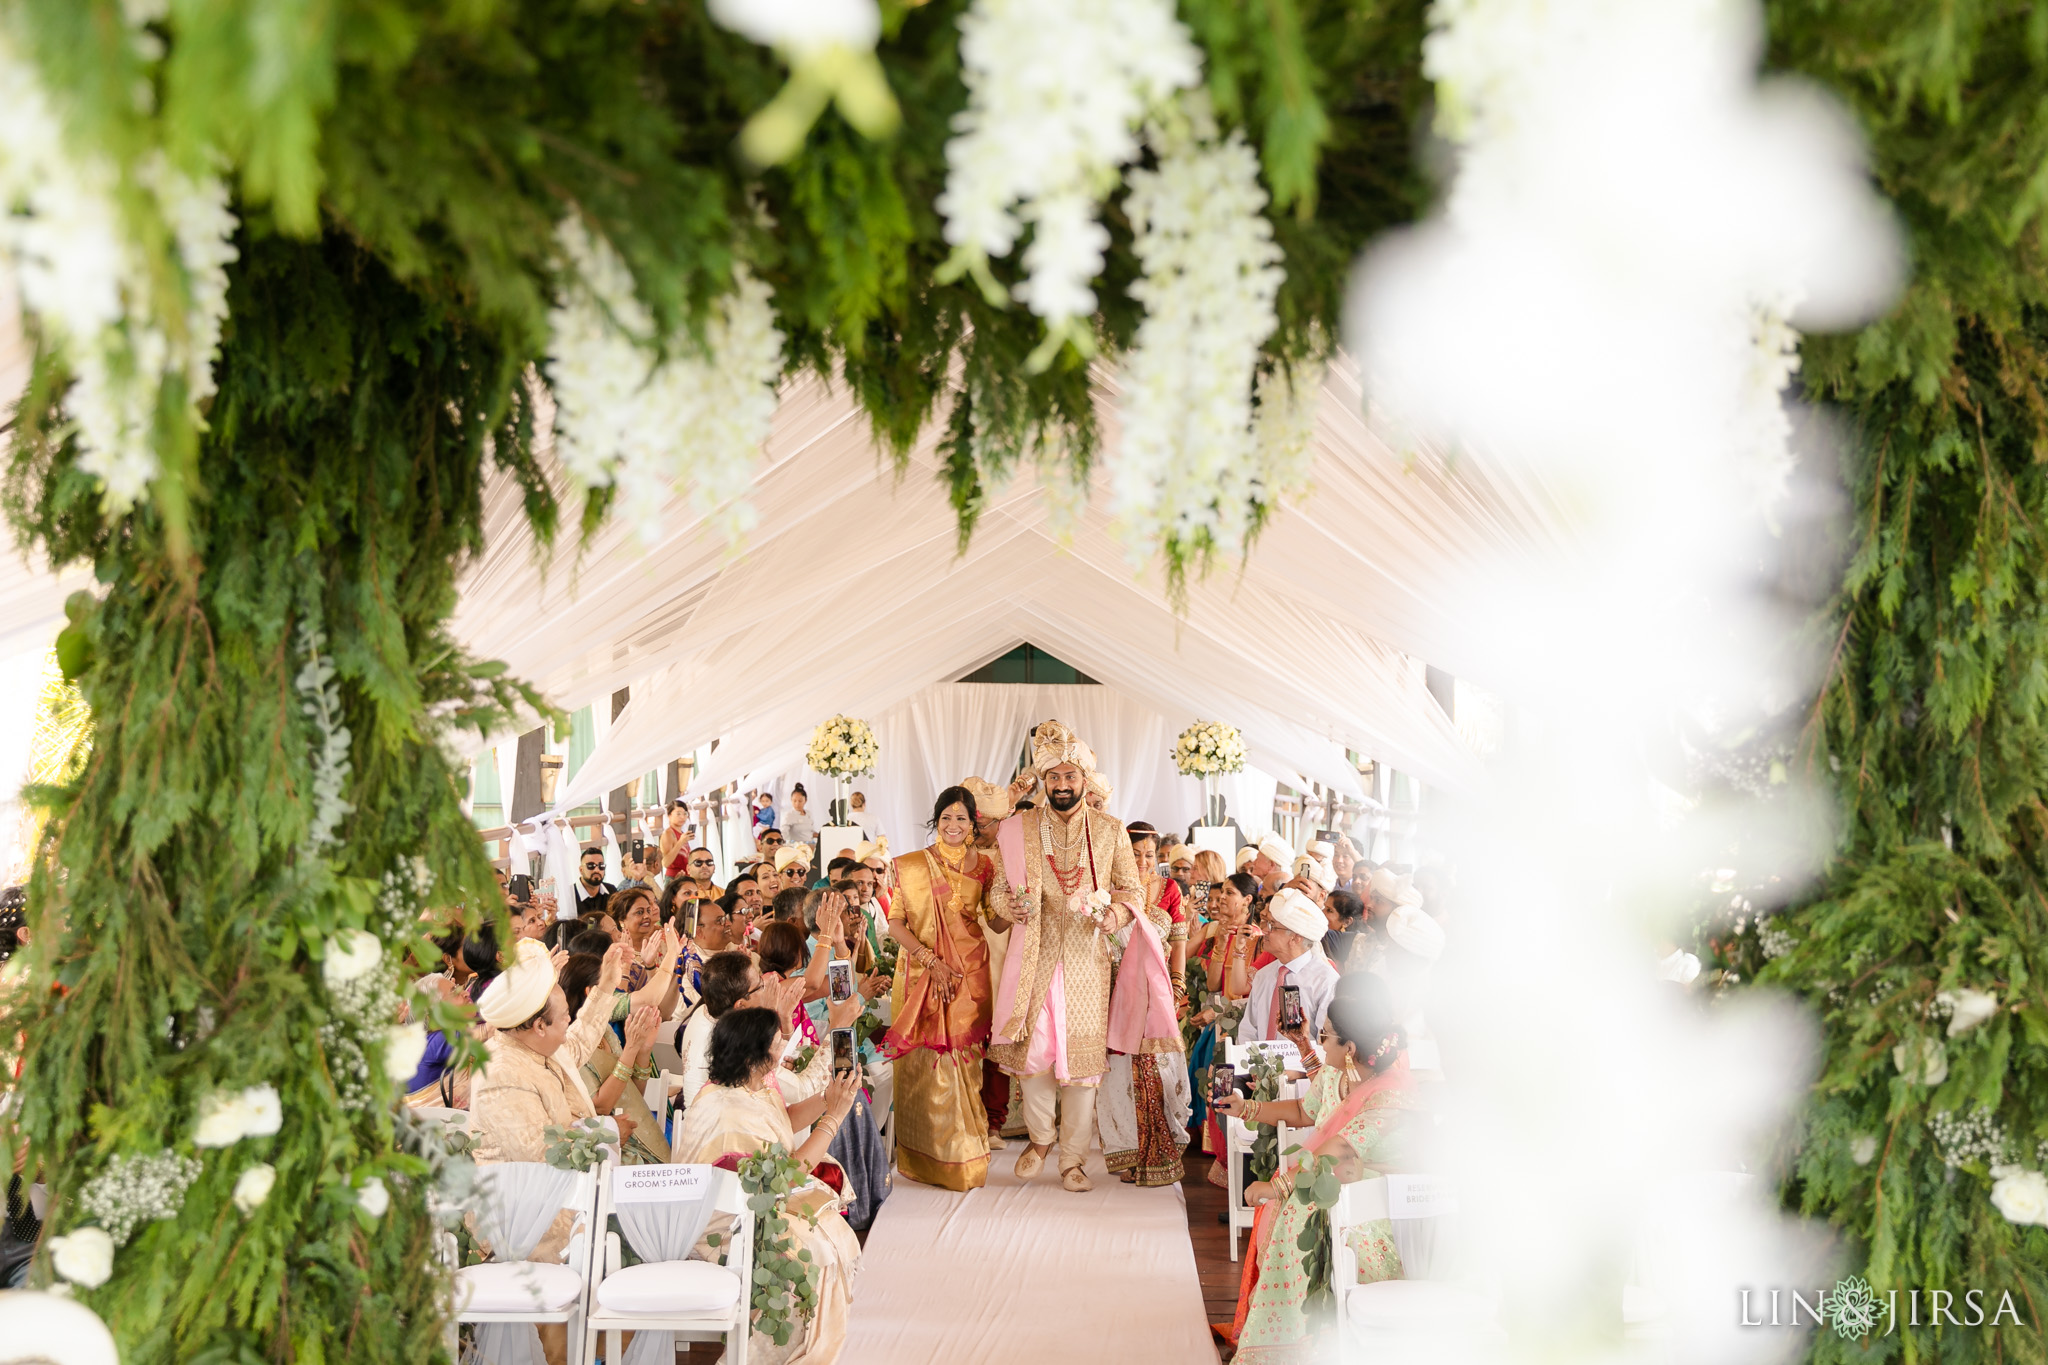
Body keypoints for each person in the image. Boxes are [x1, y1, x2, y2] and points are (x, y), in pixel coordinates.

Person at [1218, 974, 1426, 1358]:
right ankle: (1287, 1335)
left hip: (1378, 1198)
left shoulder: (1391, 1092)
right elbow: (1302, 1110)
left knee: (1299, 1206)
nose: (1318, 1039)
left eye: (1326, 1034)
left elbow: (1344, 1148)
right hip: (1333, 1180)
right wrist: (1245, 1107)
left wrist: (1279, 1186)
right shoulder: (1334, 1074)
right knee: (1298, 1205)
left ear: (1349, 1047)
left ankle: (1307, 1338)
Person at [985, 720, 1144, 1193]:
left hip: (1085, 963)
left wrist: (1115, 914)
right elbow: (995, 891)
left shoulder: (1112, 830)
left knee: (1080, 1068)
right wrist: (1006, 906)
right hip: (1032, 958)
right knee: (1033, 1054)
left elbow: (1133, 889)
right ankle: (1040, 1138)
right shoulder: (1017, 828)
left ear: (1084, 781)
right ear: (1043, 780)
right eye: (1053, 776)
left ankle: (1073, 1161)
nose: (1061, 784)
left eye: (1069, 776)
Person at [673, 1007, 863, 1365]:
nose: (785, 1049)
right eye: (778, 1044)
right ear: (753, 1057)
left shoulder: (752, 1087)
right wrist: (834, 1117)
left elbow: (782, 1122)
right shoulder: (728, 1111)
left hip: (755, 1202)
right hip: (723, 1223)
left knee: (831, 1234)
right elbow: (785, 1175)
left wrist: (828, 1098)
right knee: (814, 1257)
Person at [882, 786, 999, 1189]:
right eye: (946, 817)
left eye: (961, 818)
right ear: (936, 821)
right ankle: (932, 1157)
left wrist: (1016, 910)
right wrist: (930, 961)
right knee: (928, 1064)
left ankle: (965, 1152)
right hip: (922, 973)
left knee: (963, 1062)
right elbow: (896, 922)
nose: (953, 825)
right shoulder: (914, 865)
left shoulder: (984, 866)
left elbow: (993, 920)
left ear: (972, 825)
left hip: (970, 973)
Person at [471, 940, 632, 1163]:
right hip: (527, 1194)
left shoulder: (531, 1045)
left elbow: (579, 1040)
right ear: (539, 1026)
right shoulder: (501, 1075)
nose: (569, 1019)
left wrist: (606, 983)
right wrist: (611, 1133)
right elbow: (545, 1156)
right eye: (565, 1014)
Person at [1098, 826, 1193, 1186]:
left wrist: (1178, 984)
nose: (1142, 861)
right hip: (1117, 993)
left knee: (1160, 1069)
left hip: (1156, 992)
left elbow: (1179, 943)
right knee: (1119, 1073)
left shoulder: (1169, 890)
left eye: (1149, 855)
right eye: (1135, 853)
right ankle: (1128, 1150)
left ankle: (1160, 1152)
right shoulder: (1109, 892)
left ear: (1159, 858)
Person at [557, 954, 668, 1163]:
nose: (618, 995)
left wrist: (643, 1050)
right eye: (612, 987)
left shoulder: (605, 1030)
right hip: (603, 1147)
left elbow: (632, 1094)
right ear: (592, 993)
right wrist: (629, 1051)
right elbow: (600, 1107)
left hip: (630, 1133)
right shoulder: (568, 1041)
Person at [678, 950, 787, 1104]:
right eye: (760, 986)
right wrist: (768, 1015)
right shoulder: (731, 1041)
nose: (766, 987)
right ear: (741, 1005)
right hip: (717, 1123)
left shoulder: (703, 1011)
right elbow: (797, 1090)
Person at [1236, 889, 1341, 1045]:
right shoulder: (1264, 975)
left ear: (1295, 937)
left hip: (1305, 1067)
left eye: (1273, 926)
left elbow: (1325, 1041)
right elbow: (1248, 1030)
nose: (1265, 931)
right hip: (1259, 1067)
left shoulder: (1325, 979)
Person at [572, 844, 614, 914]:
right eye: (591, 866)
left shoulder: (611, 891)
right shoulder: (570, 894)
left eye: (601, 866)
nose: (597, 870)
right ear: (581, 870)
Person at [782, 782, 819, 848]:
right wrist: (787, 845)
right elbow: (783, 832)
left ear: (805, 800)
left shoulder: (808, 813)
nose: (797, 804)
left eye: (800, 801)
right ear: (791, 800)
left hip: (810, 845)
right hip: (796, 847)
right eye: (794, 801)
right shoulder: (789, 815)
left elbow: (809, 831)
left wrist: (821, 834)